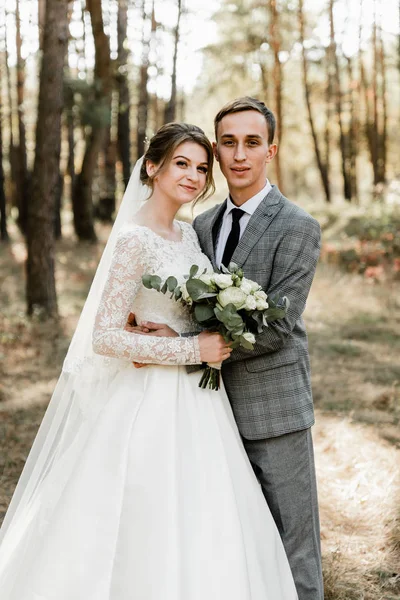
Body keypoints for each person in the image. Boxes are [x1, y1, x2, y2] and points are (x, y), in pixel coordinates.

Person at [0, 122, 298, 599]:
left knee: (205, 509)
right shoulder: (133, 238)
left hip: (199, 402)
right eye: (181, 164)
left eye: (202, 168)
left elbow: (175, 313)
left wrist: (185, 333)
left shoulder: (186, 235)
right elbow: (104, 336)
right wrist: (189, 350)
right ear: (153, 167)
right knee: (142, 509)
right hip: (146, 400)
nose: (194, 176)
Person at [131, 99, 324, 600]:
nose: (239, 154)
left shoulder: (297, 225)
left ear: (270, 151)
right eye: (229, 143)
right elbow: (183, 301)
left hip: (272, 409)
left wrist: (191, 347)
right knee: (233, 544)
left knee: (292, 546)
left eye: (252, 143)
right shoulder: (202, 225)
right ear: (217, 151)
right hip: (205, 413)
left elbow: (279, 327)